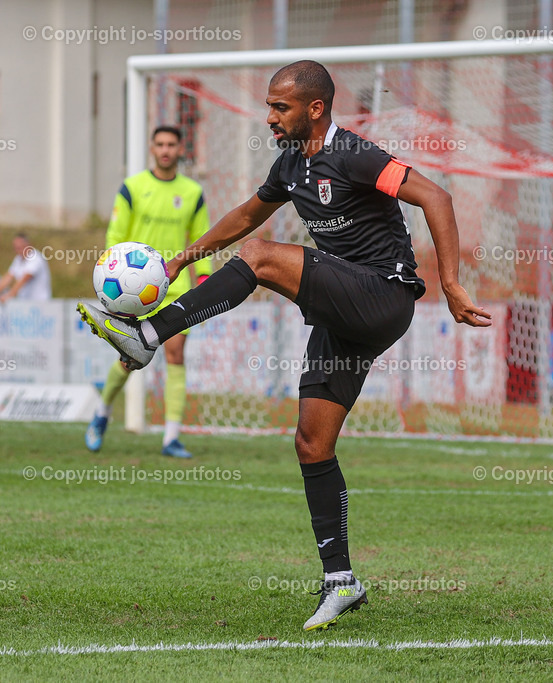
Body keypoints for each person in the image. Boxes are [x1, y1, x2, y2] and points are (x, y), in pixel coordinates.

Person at [77, 60, 490, 631]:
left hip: (383, 295)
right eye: (270, 106)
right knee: (312, 444)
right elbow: (248, 213)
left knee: (262, 257)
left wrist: (449, 282)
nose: (269, 117)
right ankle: (341, 581)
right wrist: (182, 257)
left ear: (315, 108)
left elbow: (437, 197)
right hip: (343, 309)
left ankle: (149, 333)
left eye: (280, 107)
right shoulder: (291, 165)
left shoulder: (354, 154)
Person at [85, 125, 211, 458]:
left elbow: (201, 241)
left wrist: (204, 279)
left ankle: (171, 437)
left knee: (175, 354)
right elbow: (115, 239)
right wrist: (108, 283)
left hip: (175, 288)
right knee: (130, 360)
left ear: (180, 148)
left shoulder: (193, 192)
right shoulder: (133, 188)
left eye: (172, 144)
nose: (166, 150)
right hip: (132, 292)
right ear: (152, 148)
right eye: (160, 144)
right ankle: (102, 412)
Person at [0, 233, 51, 302]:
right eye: (16, 248)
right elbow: (8, 277)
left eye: (20, 248)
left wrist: (9, 295)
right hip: (25, 303)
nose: (18, 251)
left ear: (28, 246)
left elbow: (24, 279)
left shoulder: (35, 258)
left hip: (40, 303)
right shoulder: (18, 259)